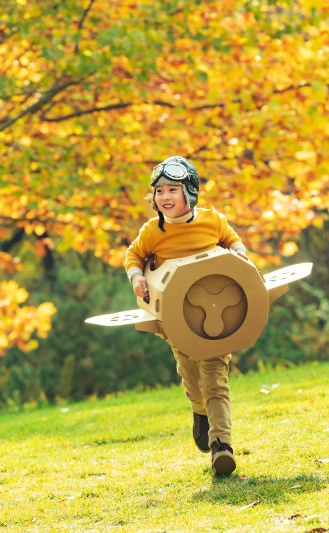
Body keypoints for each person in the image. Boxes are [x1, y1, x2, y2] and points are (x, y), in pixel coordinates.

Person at [124, 156, 246, 476]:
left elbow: (232, 240)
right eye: (159, 191)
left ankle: (222, 447)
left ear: (189, 192)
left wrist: (240, 258)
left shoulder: (212, 221)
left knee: (214, 380)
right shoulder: (153, 231)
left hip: (216, 317)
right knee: (192, 379)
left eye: (172, 190)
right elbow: (133, 255)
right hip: (177, 321)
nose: (164, 197)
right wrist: (137, 277)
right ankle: (199, 411)